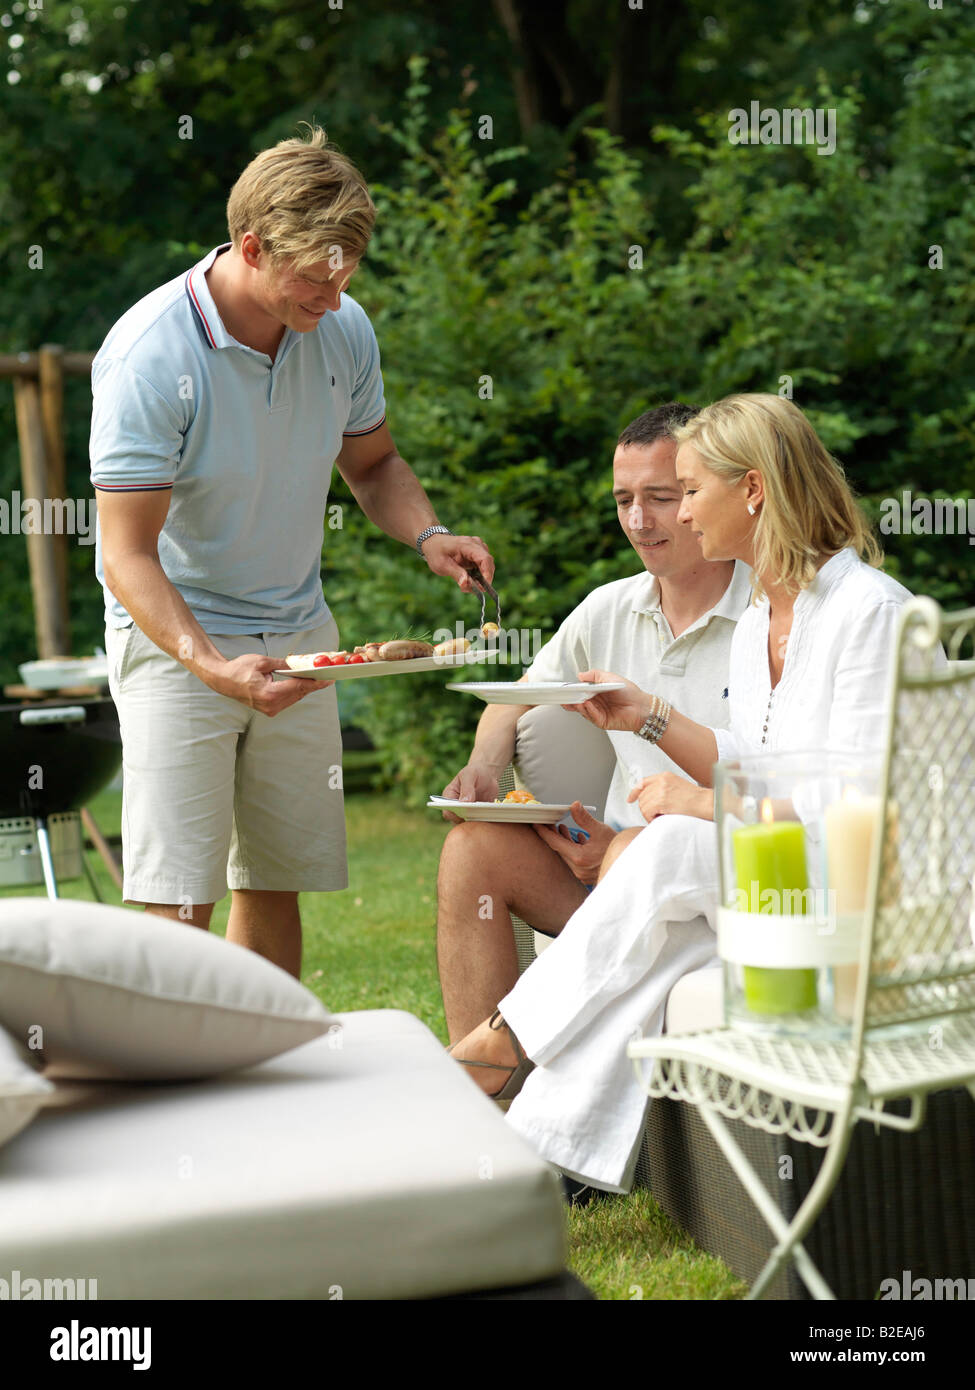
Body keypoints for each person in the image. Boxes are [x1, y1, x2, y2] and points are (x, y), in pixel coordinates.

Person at [447, 392, 916, 1193]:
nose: (677, 513)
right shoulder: (776, 613)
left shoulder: (866, 613)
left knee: (667, 846)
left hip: (872, 890)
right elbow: (759, 758)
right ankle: (534, 1158)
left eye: (690, 490)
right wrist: (648, 716)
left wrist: (702, 804)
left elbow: (861, 799)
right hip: (789, 872)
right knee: (674, 937)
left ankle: (498, 1047)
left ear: (754, 492)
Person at [91, 125, 494, 976]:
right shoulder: (148, 356)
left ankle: (259, 1074)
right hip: (177, 639)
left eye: (349, 266)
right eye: (318, 271)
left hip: (303, 634)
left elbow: (374, 462)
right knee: (176, 896)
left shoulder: (342, 329)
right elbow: (126, 555)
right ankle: (156, 1094)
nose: (338, 290)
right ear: (251, 246)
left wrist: (429, 533)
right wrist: (207, 662)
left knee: (274, 881)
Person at [436, 403, 752, 1043]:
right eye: (623, 499)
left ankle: (487, 1067)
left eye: (662, 496)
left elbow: (772, 783)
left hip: (706, 879)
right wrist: (483, 770)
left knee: (638, 852)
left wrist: (619, 852)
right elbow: (514, 698)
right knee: (471, 849)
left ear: (701, 490)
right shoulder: (608, 609)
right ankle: (492, 1112)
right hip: (603, 868)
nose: (639, 520)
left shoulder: (767, 614)